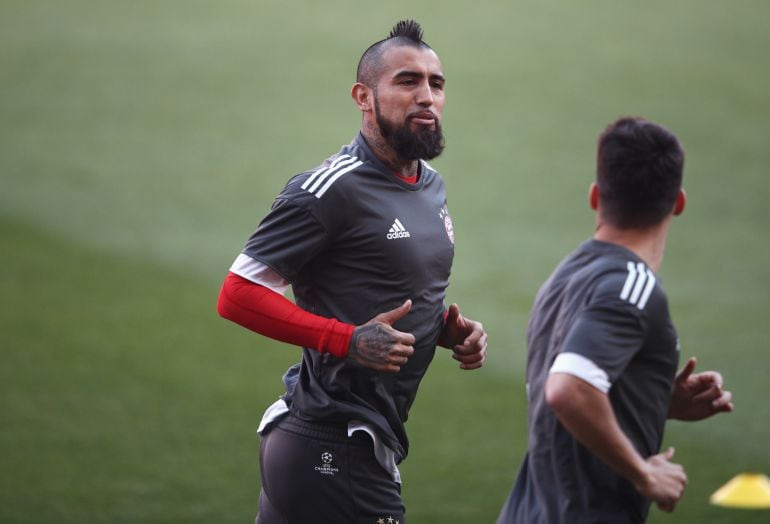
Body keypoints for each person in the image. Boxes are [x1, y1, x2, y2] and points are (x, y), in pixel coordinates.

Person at [217, 20, 487, 524]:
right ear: (364, 96)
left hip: (347, 443)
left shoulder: (430, 185)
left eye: (437, 83)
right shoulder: (329, 188)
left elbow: (387, 283)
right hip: (334, 444)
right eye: (407, 81)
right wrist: (347, 340)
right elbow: (236, 294)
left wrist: (443, 331)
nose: (427, 96)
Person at [496, 117, 733, 523]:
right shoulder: (632, 287)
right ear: (679, 202)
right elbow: (567, 390)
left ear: (595, 196)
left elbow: (570, 393)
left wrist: (652, 401)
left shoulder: (563, 278)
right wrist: (644, 474)